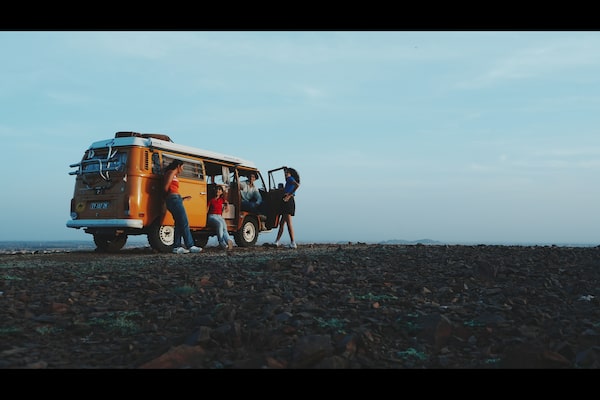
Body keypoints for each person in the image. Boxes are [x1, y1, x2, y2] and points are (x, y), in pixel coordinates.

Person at [163, 160, 202, 254]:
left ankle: (177, 247)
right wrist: (169, 198)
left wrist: (181, 198)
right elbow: (165, 187)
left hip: (176, 198)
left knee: (179, 223)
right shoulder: (171, 172)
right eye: (183, 167)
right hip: (173, 198)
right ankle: (190, 245)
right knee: (184, 222)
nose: (183, 169)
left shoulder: (174, 175)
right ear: (178, 166)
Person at [274, 167, 300, 249]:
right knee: (282, 223)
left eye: (287, 172)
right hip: (286, 201)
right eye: (285, 172)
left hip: (288, 201)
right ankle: (277, 241)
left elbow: (297, 185)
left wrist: (289, 195)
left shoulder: (290, 179)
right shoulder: (288, 181)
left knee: (288, 223)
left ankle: (293, 242)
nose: (285, 174)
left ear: (290, 174)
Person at [207, 185, 234, 250]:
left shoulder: (221, 200)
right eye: (217, 189)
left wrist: (227, 206)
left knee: (224, 228)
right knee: (220, 224)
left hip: (219, 216)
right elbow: (207, 209)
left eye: (219, 190)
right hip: (211, 216)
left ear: (221, 192)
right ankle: (221, 243)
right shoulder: (211, 200)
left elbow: (226, 202)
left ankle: (228, 240)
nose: (218, 191)